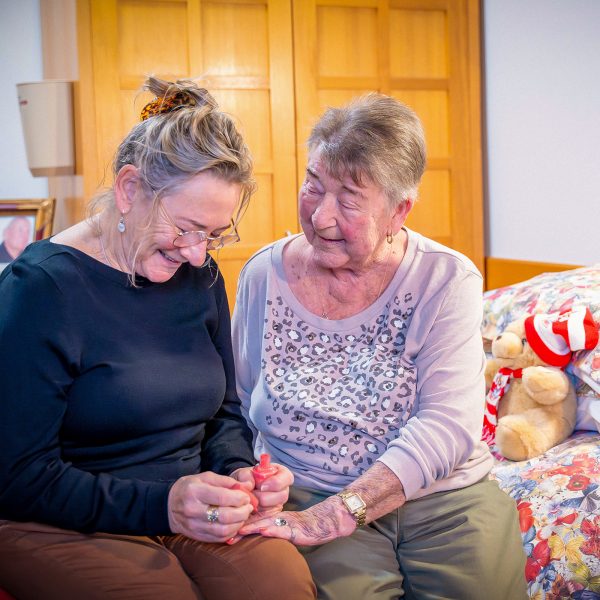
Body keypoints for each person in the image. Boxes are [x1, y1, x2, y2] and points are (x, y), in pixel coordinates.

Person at [0, 76, 315, 600]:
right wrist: (164, 504)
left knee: (279, 583)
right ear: (129, 189)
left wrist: (238, 473)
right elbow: (17, 476)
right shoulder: (41, 291)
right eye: (188, 228)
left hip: (185, 506)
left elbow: (224, 414)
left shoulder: (200, 277)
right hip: (54, 516)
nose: (198, 253)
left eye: (214, 235)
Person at [231, 94, 527, 599]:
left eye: (348, 200)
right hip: (309, 489)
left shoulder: (446, 278)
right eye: (313, 185)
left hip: (445, 500)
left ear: (399, 210)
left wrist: (345, 511)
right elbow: (239, 398)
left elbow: (447, 424)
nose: (321, 216)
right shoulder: (264, 274)